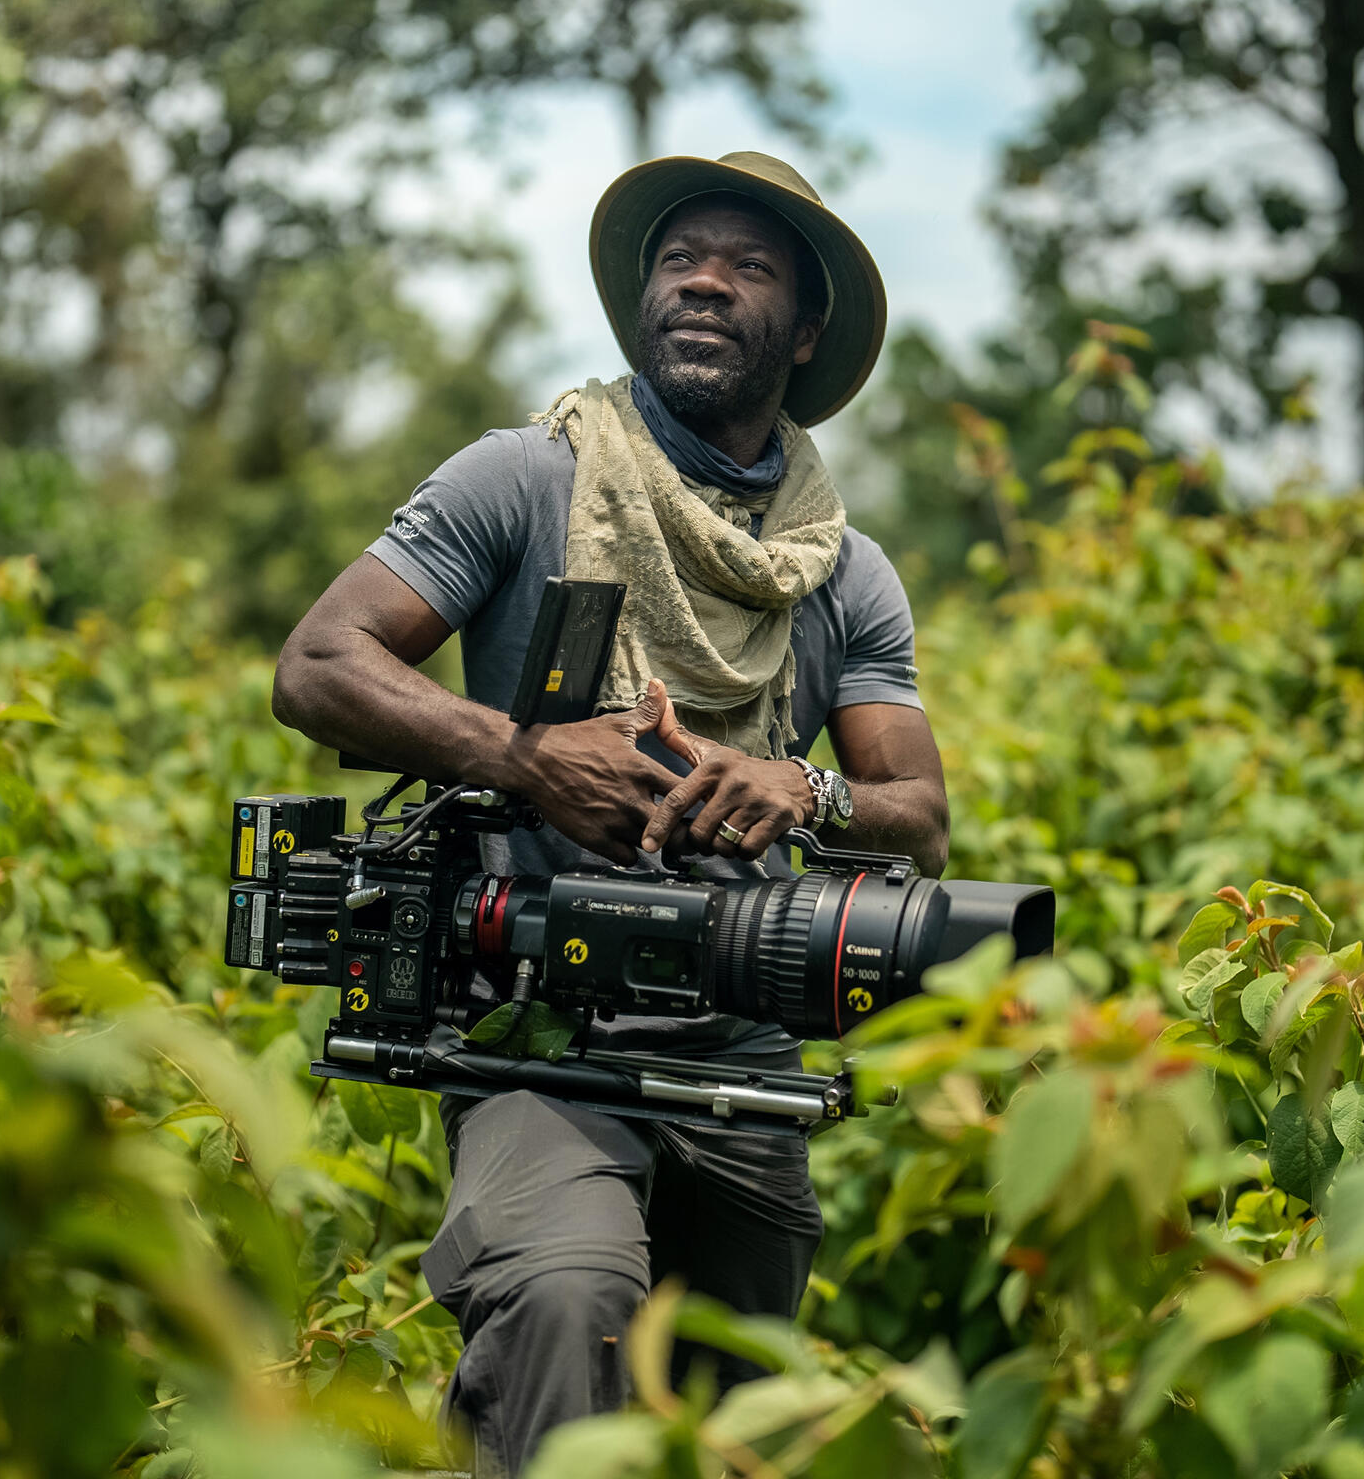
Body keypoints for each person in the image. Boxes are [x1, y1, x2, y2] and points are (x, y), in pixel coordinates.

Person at [270, 150, 950, 1474]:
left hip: (743, 1047)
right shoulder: (528, 479)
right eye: (681, 257)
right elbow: (319, 665)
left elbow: (919, 819)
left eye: (749, 267)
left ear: (805, 332)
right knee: (564, 1301)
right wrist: (526, 755)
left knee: (737, 1405)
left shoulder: (842, 573)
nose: (703, 281)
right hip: (537, 1032)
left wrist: (799, 787)